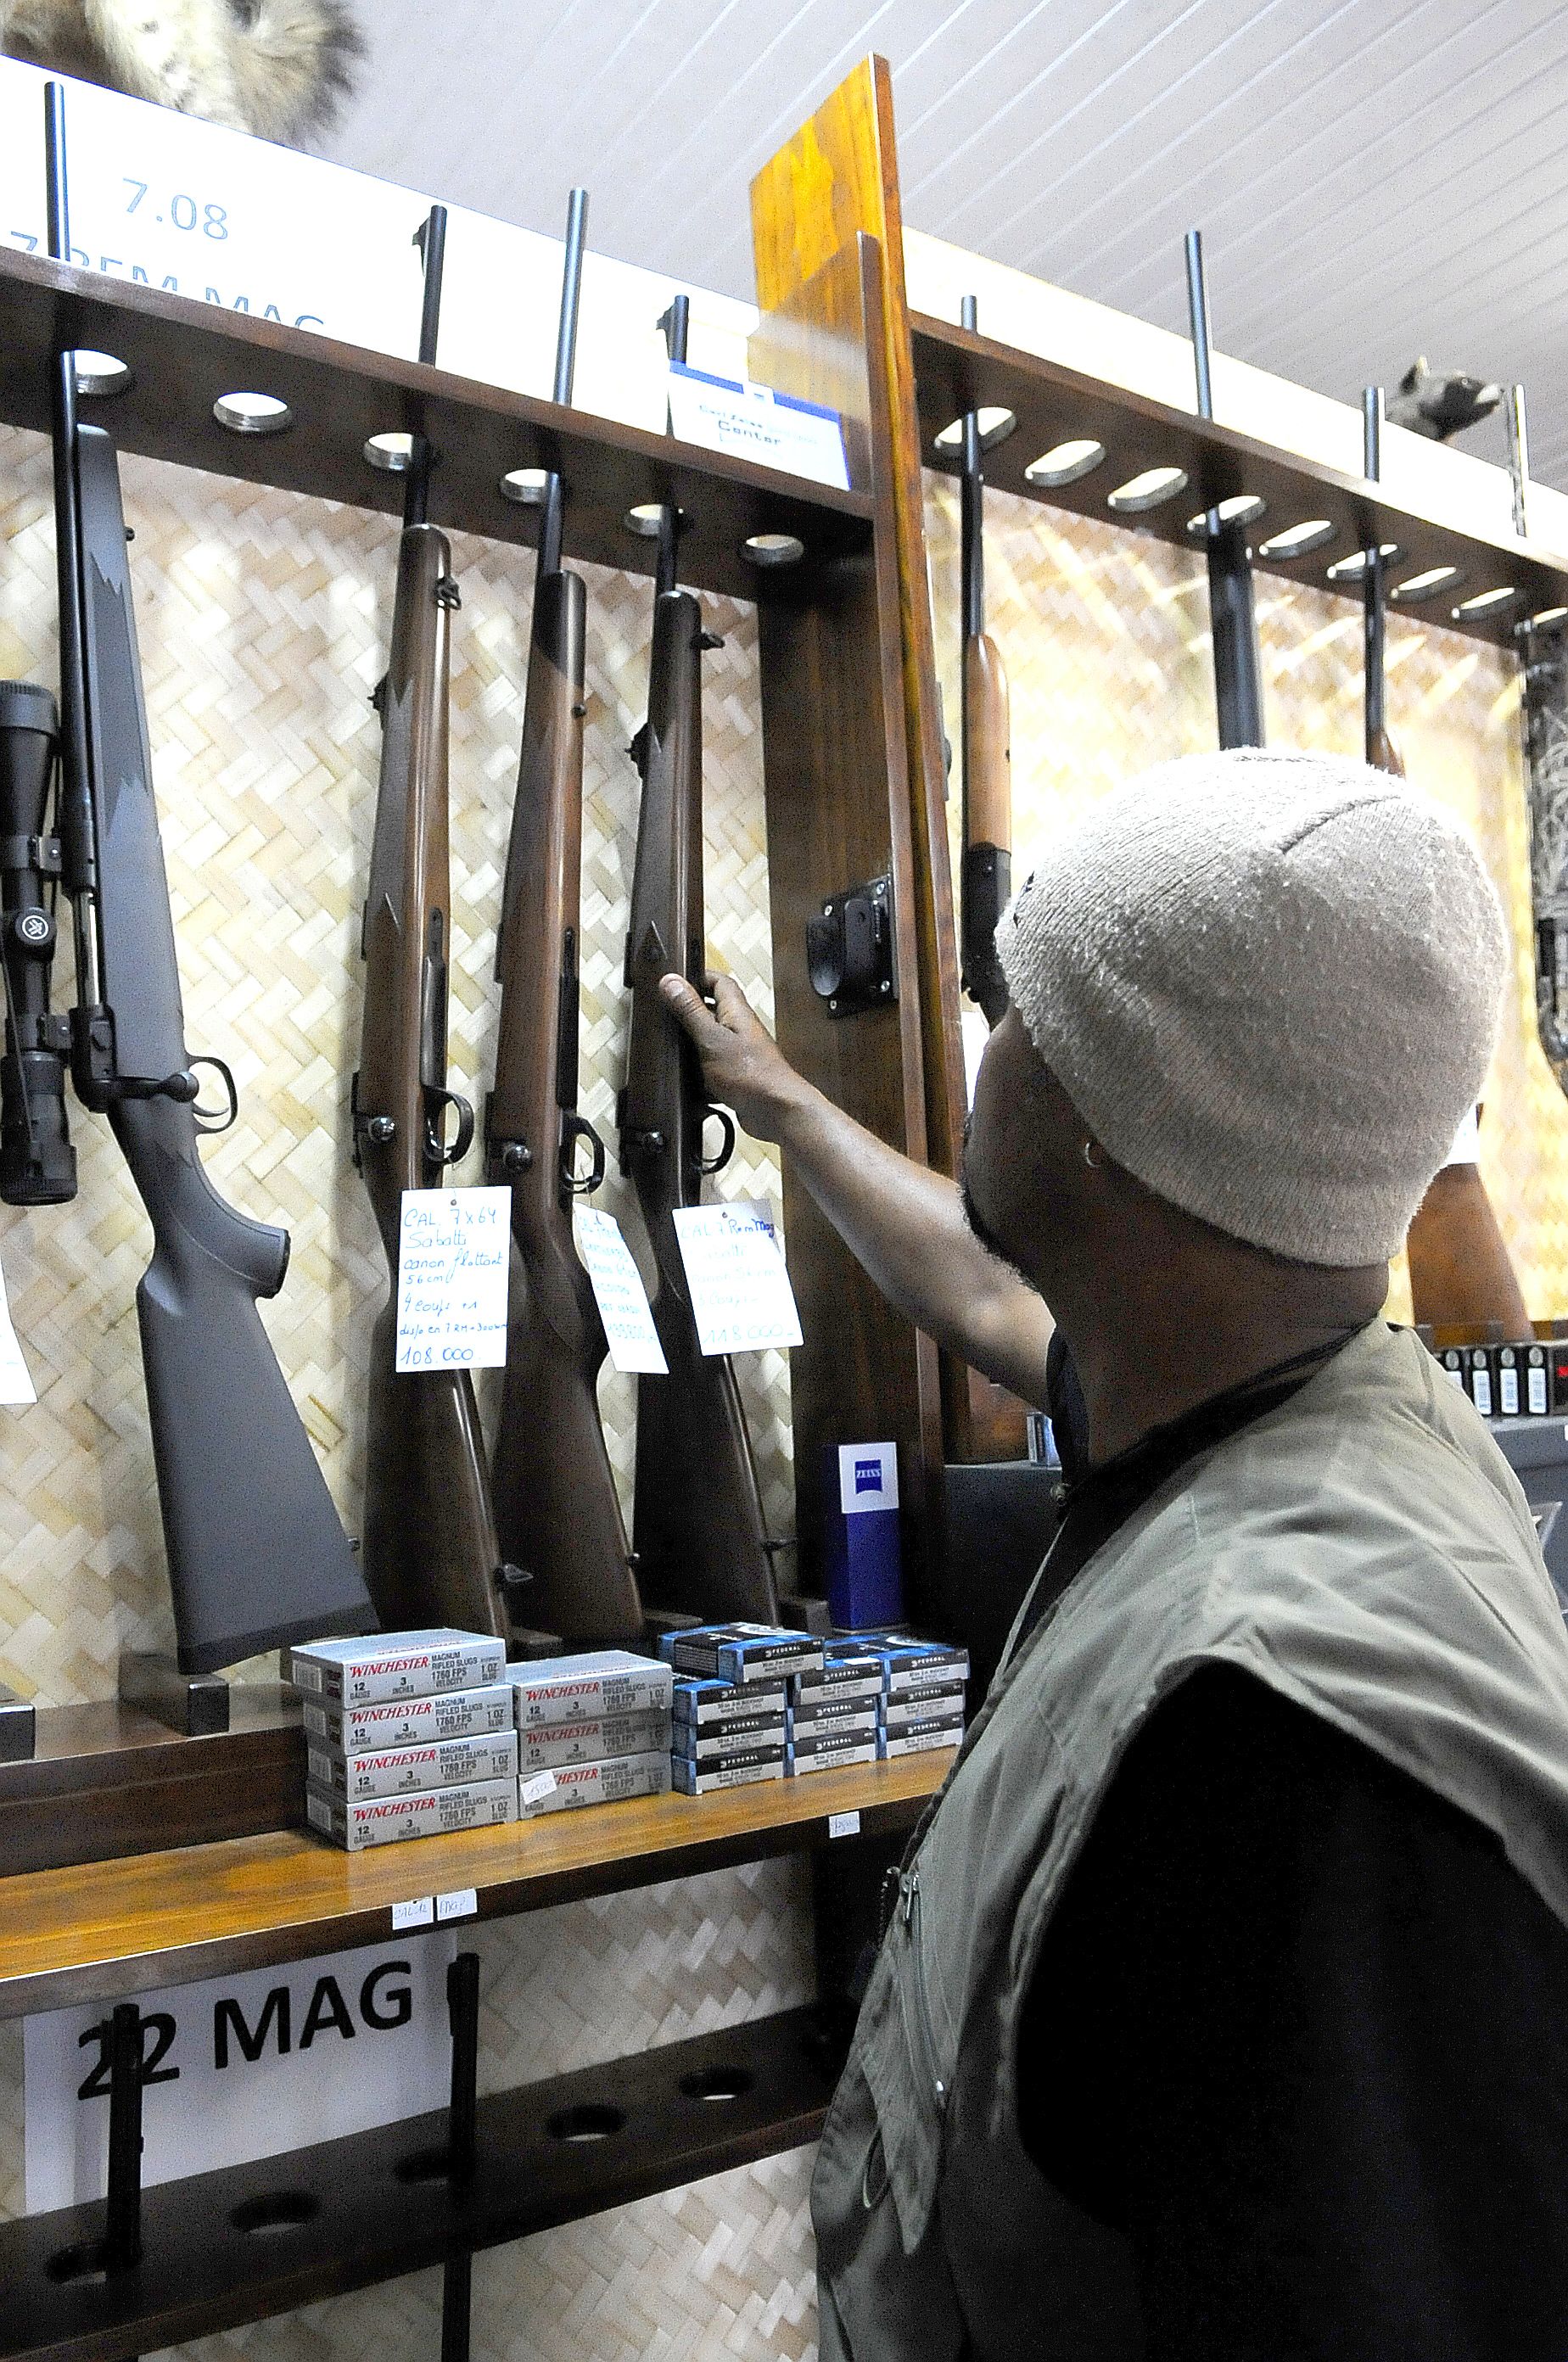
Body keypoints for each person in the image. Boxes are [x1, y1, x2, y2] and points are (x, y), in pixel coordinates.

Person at [659, 745, 1568, 2362]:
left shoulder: (1283, 1751)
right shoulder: (1283, 1382)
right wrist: (784, 1107)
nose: (988, 1049)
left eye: (1023, 1014)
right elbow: (985, 1296)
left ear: (1111, 1128)